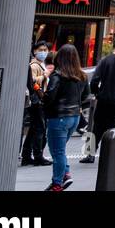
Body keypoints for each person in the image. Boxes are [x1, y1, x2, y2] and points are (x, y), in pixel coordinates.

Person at [41, 44, 89, 191]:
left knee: (57, 152)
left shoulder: (57, 76)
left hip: (58, 118)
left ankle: (57, 183)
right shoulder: (82, 76)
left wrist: (39, 90)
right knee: (59, 150)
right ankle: (65, 174)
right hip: (74, 117)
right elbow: (86, 95)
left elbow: (49, 99)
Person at [83, 34, 115, 164]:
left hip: (104, 99)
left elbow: (95, 80)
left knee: (96, 127)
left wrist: (97, 93)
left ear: (113, 44)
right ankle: (109, 154)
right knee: (114, 128)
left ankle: (90, 154)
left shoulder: (105, 61)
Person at [20, 40, 52, 166]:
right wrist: (44, 76)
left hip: (37, 100)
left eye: (45, 50)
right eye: (41, 50)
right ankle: (37, 156)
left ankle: (27, 155)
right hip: (37, 100)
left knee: (34, 129)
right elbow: (32, 81)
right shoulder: (34, 65)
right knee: (39, 128)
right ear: (34, 51)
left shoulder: (40, 64)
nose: (43, 52)